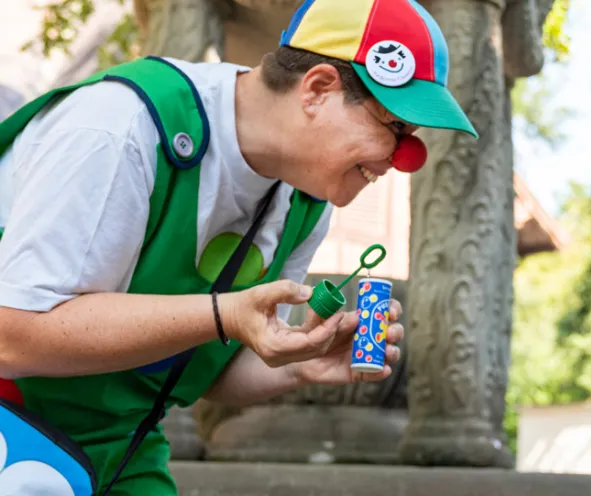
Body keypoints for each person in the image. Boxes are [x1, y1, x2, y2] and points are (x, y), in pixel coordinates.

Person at [0, 0, 477, 494]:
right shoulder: (120, 126)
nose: (403, 159)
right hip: (14, 429)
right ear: (316, 89)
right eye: (395, 128)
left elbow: (201, 371)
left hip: (121, 447)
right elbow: (11, 336)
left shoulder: (306, 200)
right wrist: (223, 313)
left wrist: (301, 364)